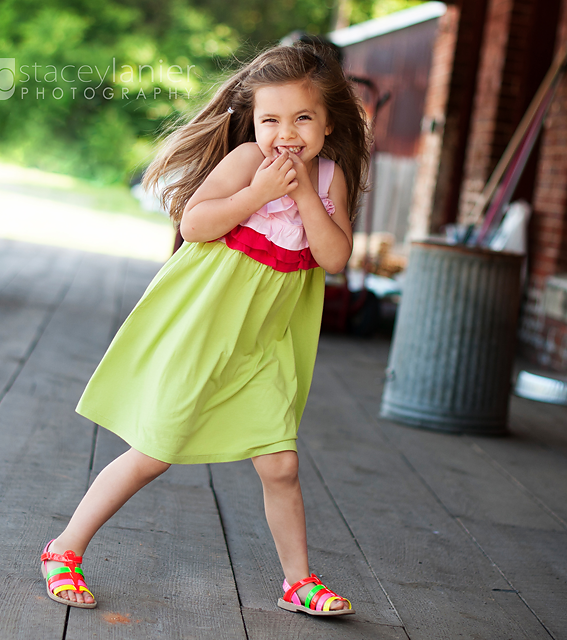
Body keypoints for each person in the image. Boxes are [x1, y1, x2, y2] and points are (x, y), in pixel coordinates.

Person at [39, 42, 370, 617]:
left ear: (328, 123)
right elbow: (195, 223)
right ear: (253, 121)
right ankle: (65, 548)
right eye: (270, 119)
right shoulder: (246, 162)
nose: (285, 133)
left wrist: (302, 196)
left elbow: (334, 257)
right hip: (205, 332)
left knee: (281, 463)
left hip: (264, 346)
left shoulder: (329, 178)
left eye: (302, 118)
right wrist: (258, 194)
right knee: (155, 452)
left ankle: (297, 582)